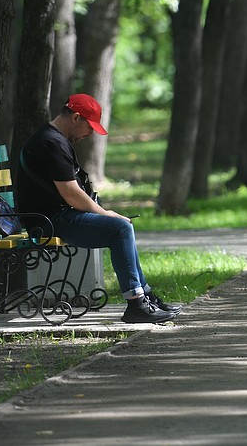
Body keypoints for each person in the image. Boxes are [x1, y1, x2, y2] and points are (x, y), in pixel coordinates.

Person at [15, 94, 181, 324]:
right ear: (76, 118)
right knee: (120, 228)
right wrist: (105, 214)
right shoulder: (51, 144)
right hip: (48, 221)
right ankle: (136, 304)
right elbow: (71, 194)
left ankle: (146, 297)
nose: (90, 133)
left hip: (55, 215)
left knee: (122, 227)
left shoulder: (54, 139)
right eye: (89, 127)